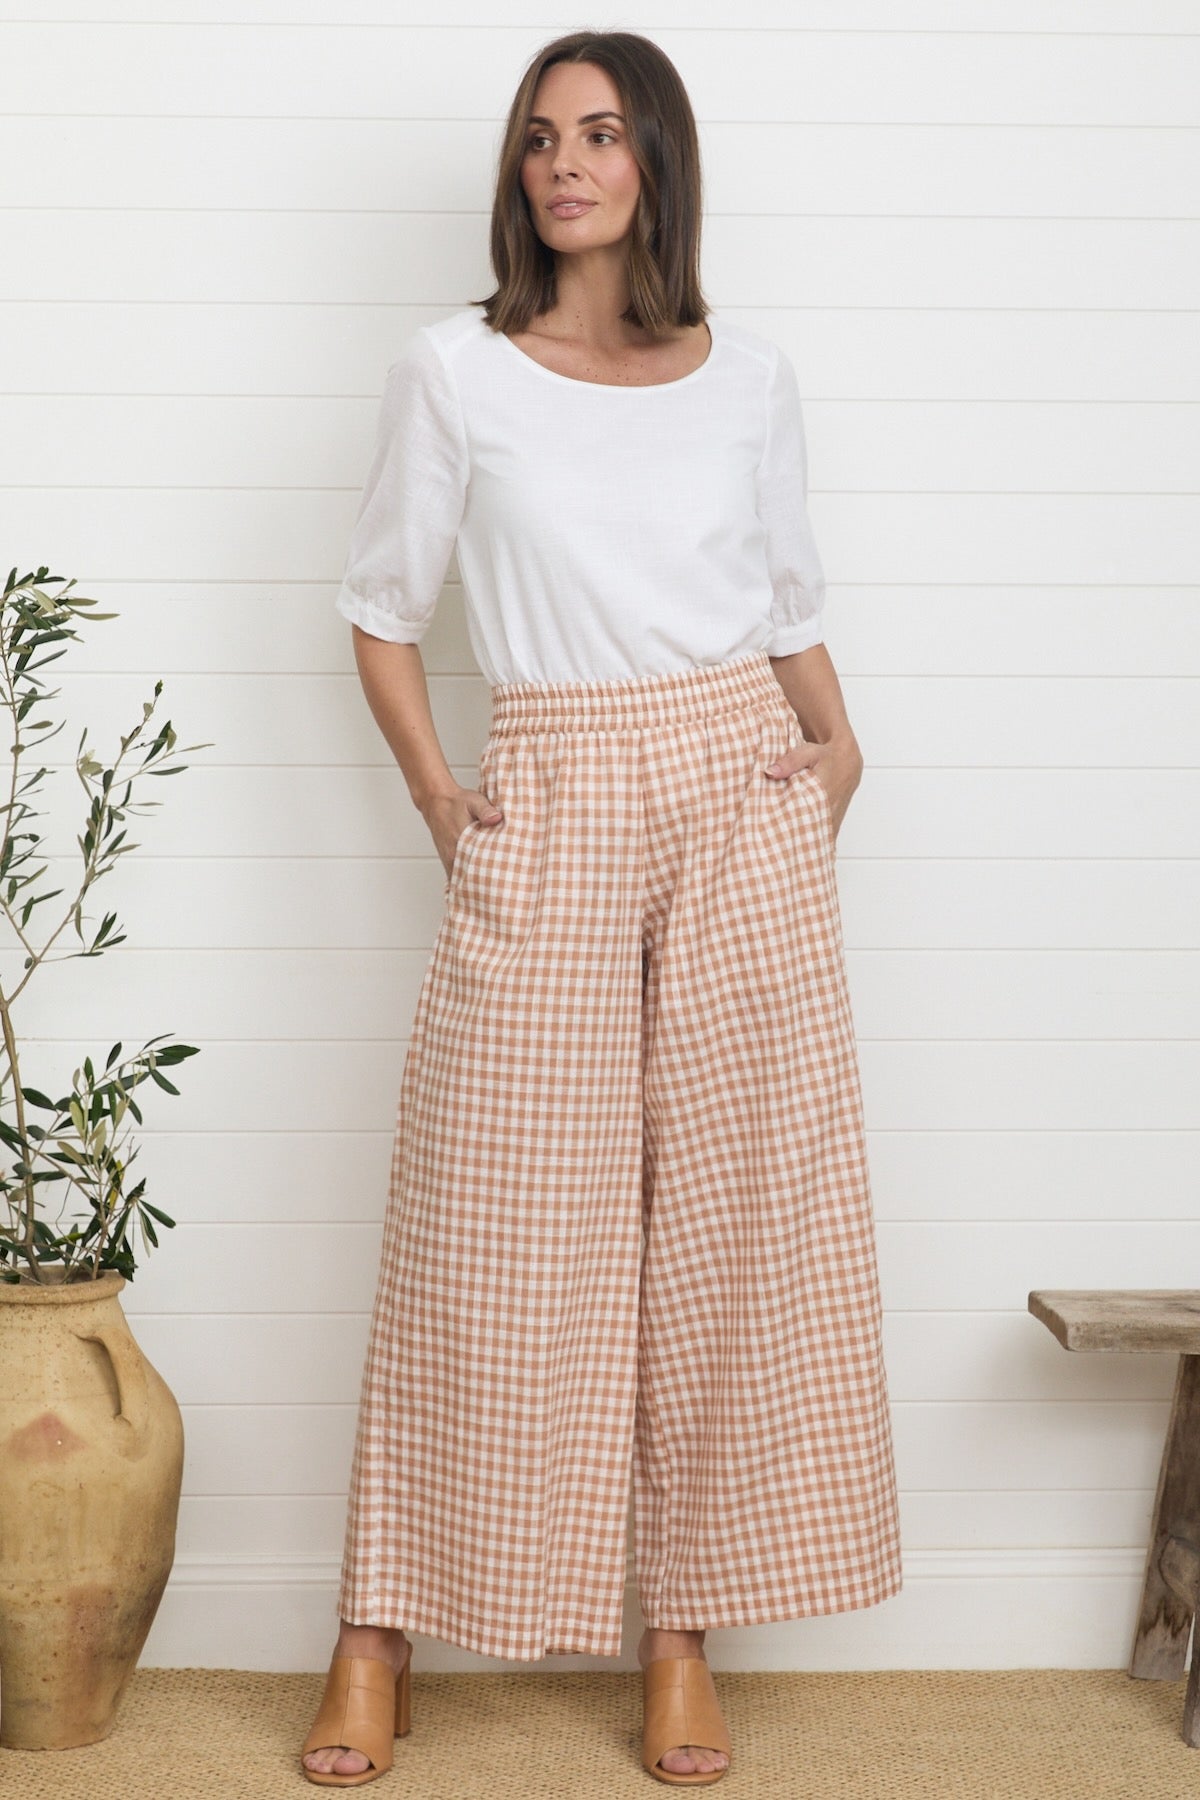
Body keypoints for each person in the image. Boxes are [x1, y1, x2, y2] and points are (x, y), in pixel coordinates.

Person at [300, 27, 902, 1790]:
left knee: (733, 1228)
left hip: (739, 793)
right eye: (541, 138)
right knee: (483, 1223)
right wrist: (444, 800)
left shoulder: (750, 378)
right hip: (551, 785)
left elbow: (787, 607)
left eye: (603, 134)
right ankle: (376, 1629)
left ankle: (680, 1631)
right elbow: (382, 611)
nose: (566, 164)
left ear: (658, 164)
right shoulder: (456, 373)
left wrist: (841, 752)